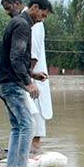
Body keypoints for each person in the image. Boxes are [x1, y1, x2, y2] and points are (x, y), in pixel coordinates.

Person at [0, 0, 50, 167]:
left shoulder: (17, 22)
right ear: (34, 8)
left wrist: (33, 74)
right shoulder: (22, 25)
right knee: (27, 125)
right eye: (42, 15)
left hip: (4, 82)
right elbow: (16, 57)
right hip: (12, 84)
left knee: (18, 126)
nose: (41, 19)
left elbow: (14, 58)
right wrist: (28, 83)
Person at [28, 13, 53, 154]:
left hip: (33, 77)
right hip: (27, 76)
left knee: (36, 113)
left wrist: (30, 73)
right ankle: (30, 149)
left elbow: (34, 53)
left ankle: (34, 147)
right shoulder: (23, 22)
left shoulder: (36, 24)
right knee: (28, 116)